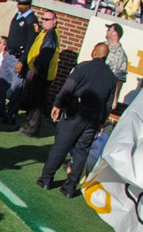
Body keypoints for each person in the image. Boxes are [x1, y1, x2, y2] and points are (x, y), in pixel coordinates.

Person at [41, 42, 116, 198]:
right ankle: (69, 187)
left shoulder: (84, 67)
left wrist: (58, 104)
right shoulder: (110, 77)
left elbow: (69, 87)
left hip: (76, 113)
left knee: (61, 146)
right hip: (93, 119)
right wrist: (101, 121)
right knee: (82, 152)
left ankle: (46, 179)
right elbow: (108, 104)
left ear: (94, 53)